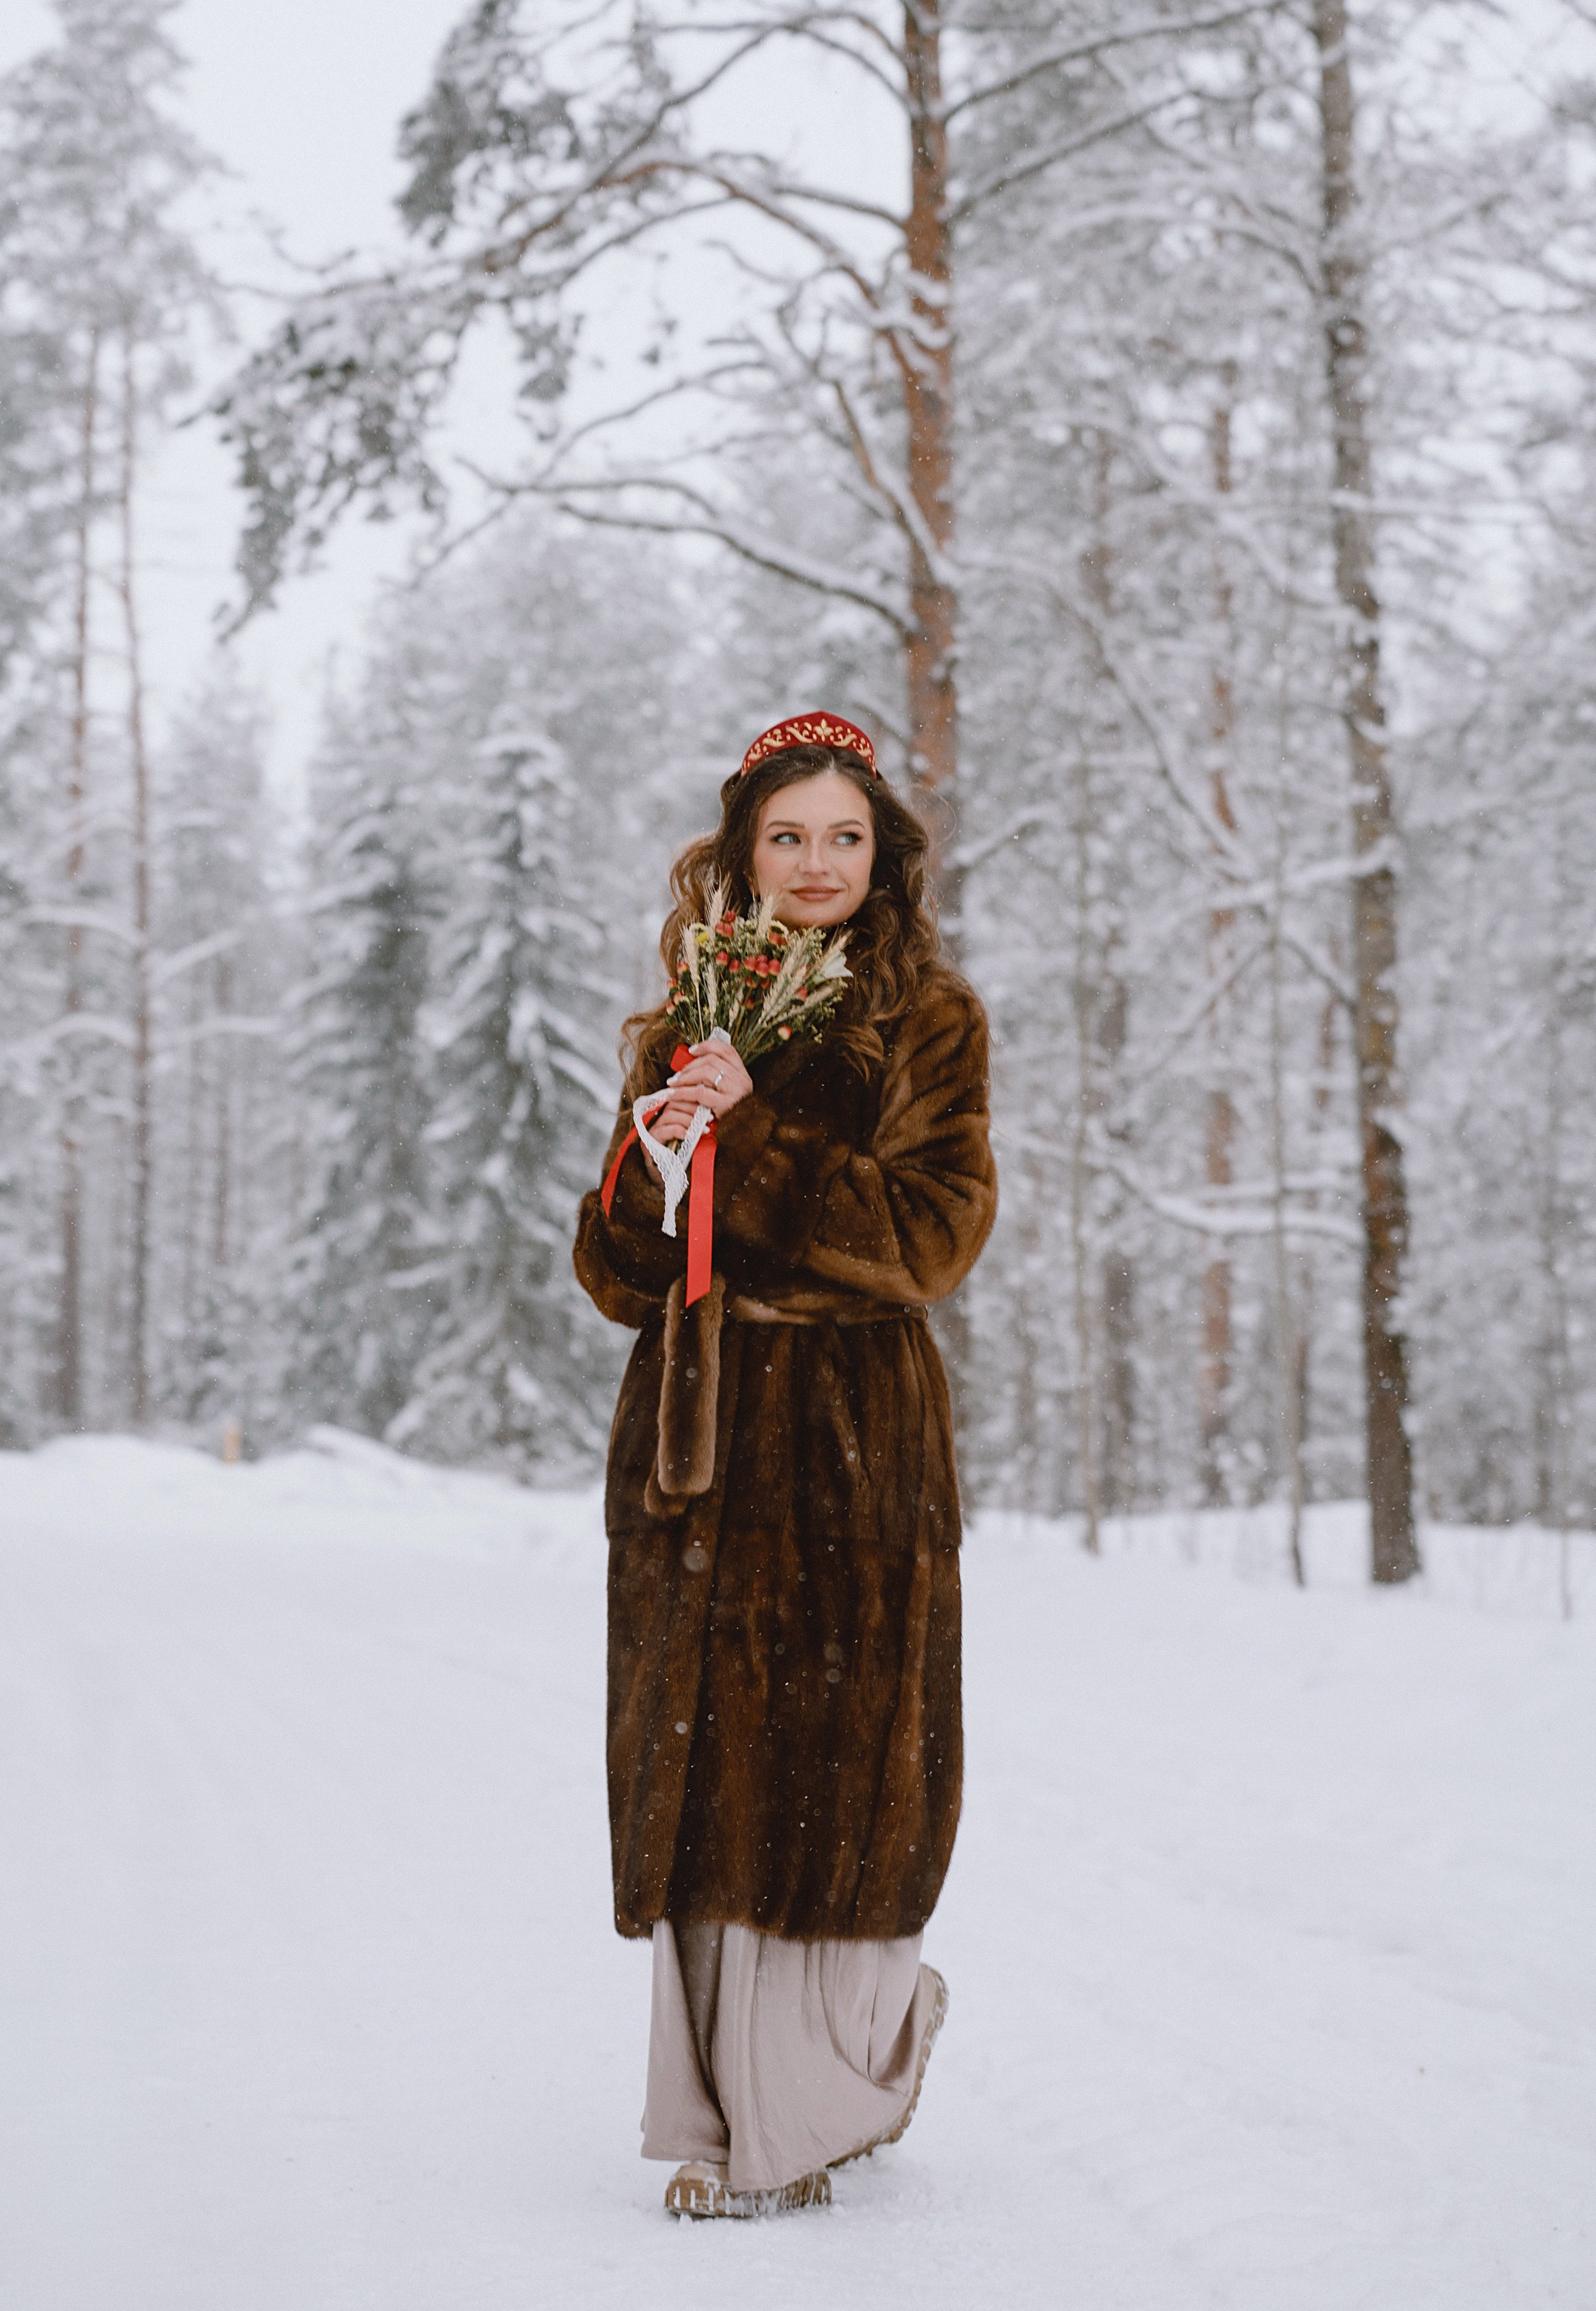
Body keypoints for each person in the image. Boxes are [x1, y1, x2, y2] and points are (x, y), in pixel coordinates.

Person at [573, 711, 998, 2221]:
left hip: (846, 1442)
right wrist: (655, 1166)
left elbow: (924, 1241)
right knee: (702, 1772)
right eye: (786, 837)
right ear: (739, 851)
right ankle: (714, 2116)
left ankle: (824, 2092)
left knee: (834, 1782)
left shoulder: (925, 1021)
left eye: (843, 837)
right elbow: (620, 1274)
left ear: (879, 855)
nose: (815, 864)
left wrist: (753, 1147)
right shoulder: (680, 1016)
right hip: (692, 1449)